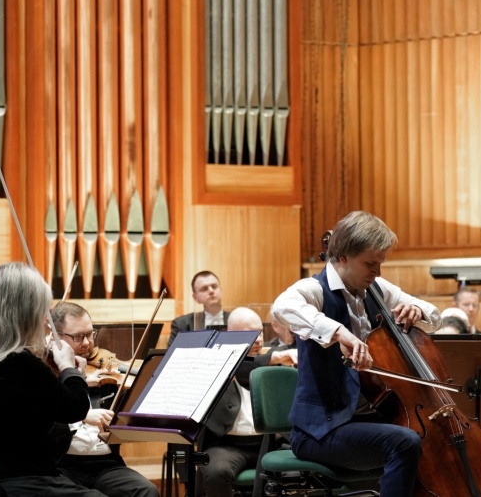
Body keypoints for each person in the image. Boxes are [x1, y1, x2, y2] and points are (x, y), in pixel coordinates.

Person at [272, 211, 441, 497]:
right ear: (343, 257)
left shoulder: (376, 289)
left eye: (381, 263)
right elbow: (282, 306)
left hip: (369, 420)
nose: (377, 272)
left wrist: (419, 311)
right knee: (403, 443)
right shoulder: (314, 290)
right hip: (321, 430)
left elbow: (435, 317)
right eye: (370, 263)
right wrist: (338, 332)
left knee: (429, 439)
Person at [0, 262, 104, 496]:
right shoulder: (19, 363)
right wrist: (68, 367)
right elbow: (74, 409)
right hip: (24, 484)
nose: (44, 322)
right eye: (42, 312)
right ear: (25, 314)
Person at [49, 302, 159, 497]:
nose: (86, 343)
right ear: (56, 336)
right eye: (77, 336)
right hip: (62, 465)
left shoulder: (107, 375)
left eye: (90, 334)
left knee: (146, 491)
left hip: (106, 464)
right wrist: (83, 414)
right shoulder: (47, 374)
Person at [195, 307, 270, 497]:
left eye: (260, 332)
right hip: (227, 445)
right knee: (215, 471)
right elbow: (244, 368)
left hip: (268, 442)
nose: (259, 339)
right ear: (230, 335)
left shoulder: (274, 362)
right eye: (252, 334)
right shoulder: (216, 362)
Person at [168, 271, 228, 344]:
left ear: (221, 290)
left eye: (214, 286)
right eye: (204, 288)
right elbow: (171, 354)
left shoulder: (238, 319)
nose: (211, 291)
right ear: (195, 297)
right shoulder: (182, 324)